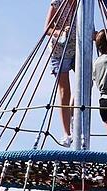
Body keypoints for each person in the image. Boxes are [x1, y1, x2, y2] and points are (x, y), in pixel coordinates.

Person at [44, 0, 76, 147]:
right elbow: (47, 29)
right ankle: (67, 133)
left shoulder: (85, 5)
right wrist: (61, 32)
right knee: (64, 91)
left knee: (87, 83)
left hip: (78, 50)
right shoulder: (57, 3)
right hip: (59, 51)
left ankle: (73, 112)